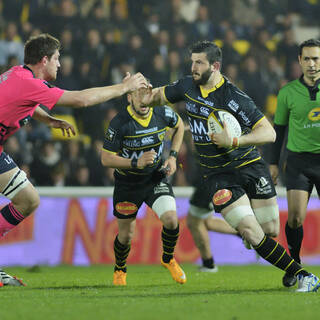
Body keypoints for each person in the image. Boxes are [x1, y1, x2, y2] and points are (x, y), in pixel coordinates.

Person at [141, 40, 320, 292]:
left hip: (249, 164)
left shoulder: (233, 97)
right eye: (192, 61)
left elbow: (268, 133)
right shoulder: (187, 86)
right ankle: (303, 276)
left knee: (269, 230)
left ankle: (257, 238)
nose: (193, 67)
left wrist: (233, 140)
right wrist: (143, 94)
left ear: (214, 66)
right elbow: (158, 96)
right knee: (250, 229)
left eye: (199, 62)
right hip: (217, 175)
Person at [0, 33, 147, 287]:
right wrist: (124, 88)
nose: (59, 64)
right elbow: (81, 99)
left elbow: (21, 102)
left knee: (28, 199)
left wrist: (49, 120)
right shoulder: (30, 84)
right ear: (44, 60)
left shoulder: (17, 75)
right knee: (27, 200)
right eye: (57, 58)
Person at [101, 84, 185, 286]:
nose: (144, 100)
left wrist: (173, 157)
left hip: (154, 178)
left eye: (147, 95)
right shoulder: (120, 122)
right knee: (126, 235)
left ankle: (168, 259)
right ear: (129, 97)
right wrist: (135, 163)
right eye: (139, 95)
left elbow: (180, 125)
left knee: (171, 220)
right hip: (128, 184)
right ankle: (120, 268)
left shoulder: (162, 112)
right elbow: (105, 158)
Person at [269, 38, 320, 288]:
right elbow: (278, 129)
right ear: (299, 61)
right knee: (296, 218)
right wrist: (273, 163)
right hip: (298, 161)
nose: (312, 64)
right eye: (307, 59)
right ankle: (294, 265)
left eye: (316, 58)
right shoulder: (287, 92)